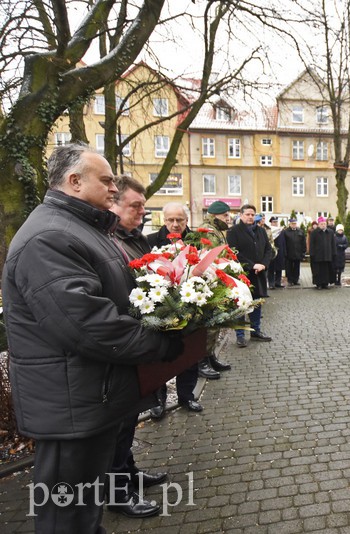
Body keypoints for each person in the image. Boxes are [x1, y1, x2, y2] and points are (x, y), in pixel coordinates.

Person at [2, 144, 182, 533]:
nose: (114, 188)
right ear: (74, 181)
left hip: (88, 396)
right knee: (65, 517)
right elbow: (88, 324)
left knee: (83, 512)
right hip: (71, 404)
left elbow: (118, 297)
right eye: (105, 180)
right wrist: (160, 346)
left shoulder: (81, 229)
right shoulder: (49, 237)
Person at [107, 175, 167, 518]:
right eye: (136, 206)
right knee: (116, 426)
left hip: (136, 343)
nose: (143, 213)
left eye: (144, 206)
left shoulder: (135, 239)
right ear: (114, 204)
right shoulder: (108, 240)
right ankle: (117, 493)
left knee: (128, 420)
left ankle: (129, 474)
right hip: (121, 344)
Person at [146, 202, 203, 418]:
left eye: (179, 220)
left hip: (191, 305)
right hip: (161, 307)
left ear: (187, 221)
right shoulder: (151, 240)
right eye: (170, 220)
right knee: (160, 356)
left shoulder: (195, 241)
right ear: (164, 219)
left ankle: (186, 396)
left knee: (190, 354)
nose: (175, 224)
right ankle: (158, 400)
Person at [227, 204, 273, 347]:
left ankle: (255, 331)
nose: (250, 217)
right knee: (241, 304)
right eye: (247, 214)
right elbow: (234, 252)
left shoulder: (261, 231)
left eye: (252, 214)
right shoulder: (233, 232)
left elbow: (268, 249)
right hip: (243, 274)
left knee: (256, 303)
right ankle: (240, 335)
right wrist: (252, 265)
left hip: (259, 273)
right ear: (241, 215)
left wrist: (264, 265)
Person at [198, 200, 234, 378]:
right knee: (210, 323)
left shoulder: (217, 229)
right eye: (225, 215)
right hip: (210, 280)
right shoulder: (209, 230)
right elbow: (214, 256)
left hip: (217, 279)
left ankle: (210, 356)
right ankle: (202, 361)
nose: (228, 218)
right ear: (215, 215)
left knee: (216, 322)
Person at [309, 217, 336, 289]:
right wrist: (311, 253)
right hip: (318, 255)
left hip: (328, 255)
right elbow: (311, 244)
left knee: (326, 270)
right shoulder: (314, 233)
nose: (323, 225)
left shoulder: (330, 232)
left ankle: (325, 283)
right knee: (318, 271)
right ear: (318, 224)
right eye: (321, 224)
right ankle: (319, 284)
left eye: (324, 224)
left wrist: (334, 253)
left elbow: (333, 243)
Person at [283, 217, 306, 286]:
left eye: (295, 223)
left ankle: (296, 280)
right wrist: (285, 252)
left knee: (296, 267)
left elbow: (303, 242)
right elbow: (284, 243)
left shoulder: (300, 231)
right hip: (289, 253)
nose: (294, 225)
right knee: (289, 267)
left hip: (298, 253)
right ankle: (290, 280)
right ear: (289, 224)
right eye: (292, 223)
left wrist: (303, 252)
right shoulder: (286, 232)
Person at [268, 216, 286, 289]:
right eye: (274, 222)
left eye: (276, 222)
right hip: (271, 252)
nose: (275, 223)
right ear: (271, 223)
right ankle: (271, 283)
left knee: (279, 268)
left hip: (280, 251)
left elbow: (283, 241)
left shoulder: (280, 230)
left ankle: (278, 282)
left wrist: (284, 251)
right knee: (271, 268)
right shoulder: (269, 230)